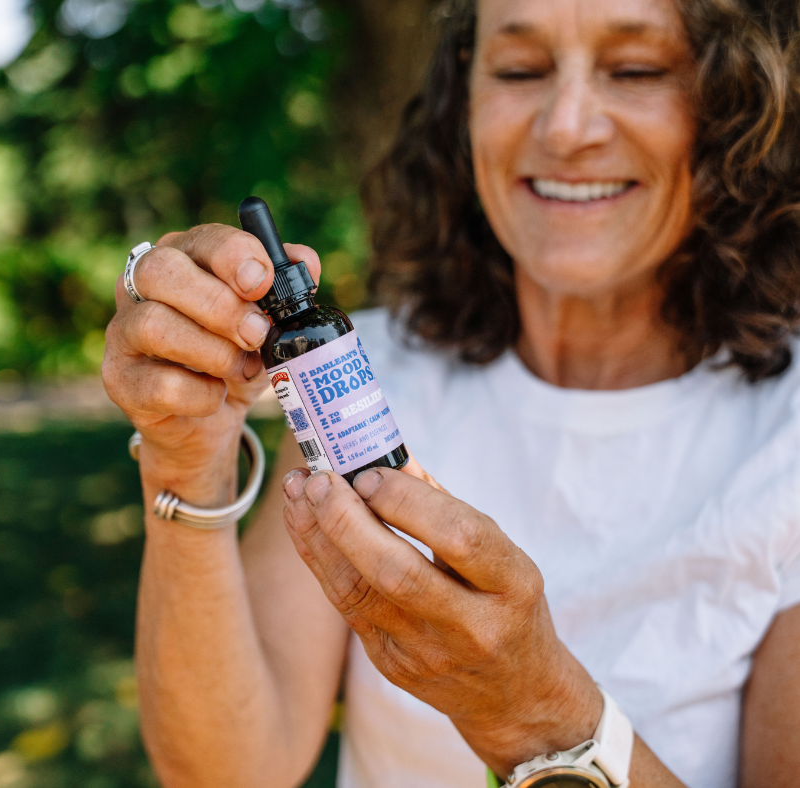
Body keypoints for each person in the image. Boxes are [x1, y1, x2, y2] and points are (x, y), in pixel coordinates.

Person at [101, 0, 800, 785]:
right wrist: (184, 461)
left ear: (732, 103)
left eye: (635, 69)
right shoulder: (355, 375)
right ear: (462, 101)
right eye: (520, 70)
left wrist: (531, 712)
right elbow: (228, 772)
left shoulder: (788, 431)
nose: (566, 127)